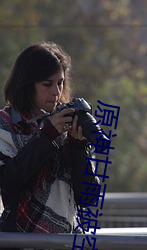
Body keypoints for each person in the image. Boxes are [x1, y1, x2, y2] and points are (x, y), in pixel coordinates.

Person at [0, 41, 99, 233]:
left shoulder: (68, 121)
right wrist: (47, 135)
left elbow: (88, 198)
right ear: (27, 84)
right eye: (48, 84)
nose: (56, 91)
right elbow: (8, 183)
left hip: (64, 238)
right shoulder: (5, 124)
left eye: (60, 83)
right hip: (19, 237)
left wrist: (78, 149)